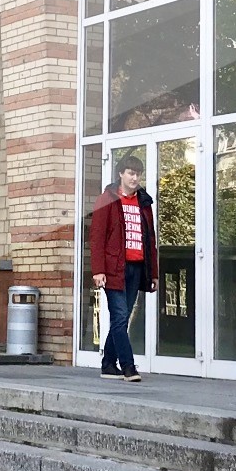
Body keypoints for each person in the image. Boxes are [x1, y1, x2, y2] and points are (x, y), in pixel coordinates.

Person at [88, 155, 158, 382]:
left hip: (137, 268)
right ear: (121, 174)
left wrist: (153, 273)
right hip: (113, 269)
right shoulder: (106, 199)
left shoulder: (144, 202)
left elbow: (150, 240)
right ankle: (128, 366)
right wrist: (98, 270)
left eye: (138, 174)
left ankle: (108, 365)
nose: (134, 178)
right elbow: (97, 237)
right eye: (130, 173)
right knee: (119, 316)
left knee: (123, 318)